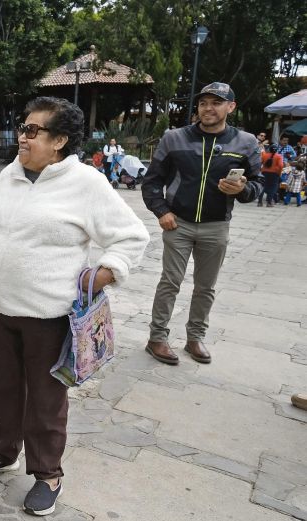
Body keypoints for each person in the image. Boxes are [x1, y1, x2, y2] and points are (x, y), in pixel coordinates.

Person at [0, 96, 148, 516]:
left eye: (33, 131)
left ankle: (48, 473)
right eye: (22, 128)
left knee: (46, 401)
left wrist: (100, 275)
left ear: (60, 140)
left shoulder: (86, 183)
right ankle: (3, 452)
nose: (22, 137)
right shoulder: (10, 175)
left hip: (48, 316)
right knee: (3, 389)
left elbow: (131, 236)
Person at [143, 82, 262, 366]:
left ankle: (195, 338)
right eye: (204, 102)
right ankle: (157, 338)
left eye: (216, 103)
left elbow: (257, 185)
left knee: (206, 286)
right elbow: (152, 181)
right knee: (170, 282)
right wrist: (162, 211)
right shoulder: (174, 138)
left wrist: (242, 190)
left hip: (216, 226)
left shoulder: (245, 142)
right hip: (178, 223)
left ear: (230, 107)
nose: (208, 108)